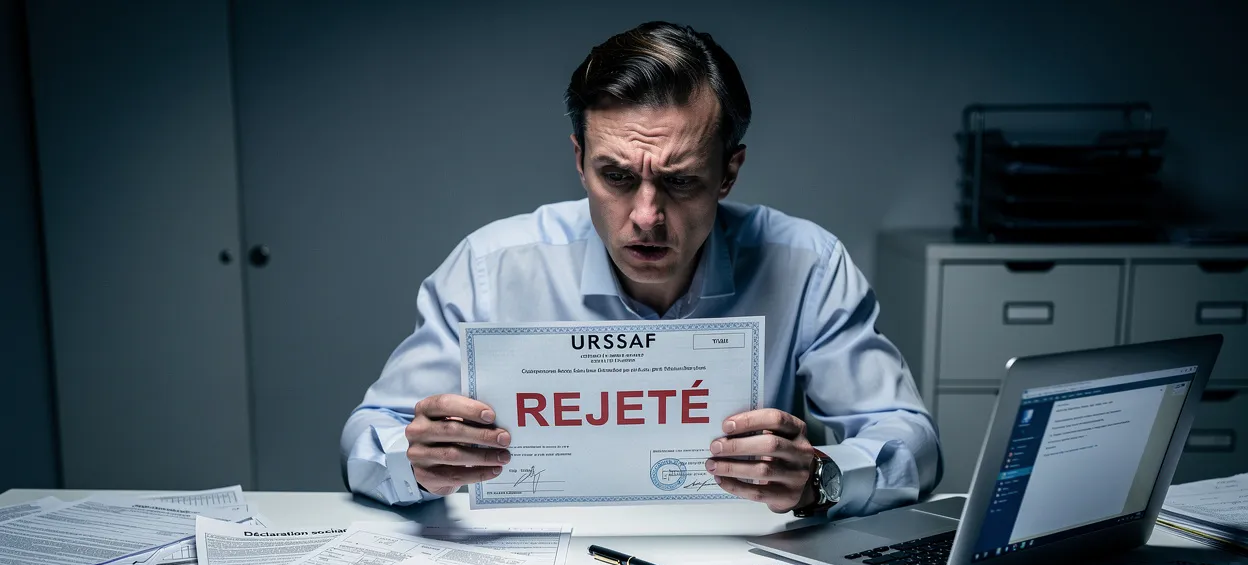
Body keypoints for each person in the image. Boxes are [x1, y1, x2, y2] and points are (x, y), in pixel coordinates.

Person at [341, 21, 940, 517]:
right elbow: (371, 432)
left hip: (739, 564)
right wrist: (415, 464)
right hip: (531, 563)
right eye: (617, 177)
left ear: (728, 172)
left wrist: (821, 477)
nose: (646, 216)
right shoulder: (490, 267)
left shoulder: (806, 266)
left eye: (680, 182)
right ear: (580, 161)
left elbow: (908, 438)